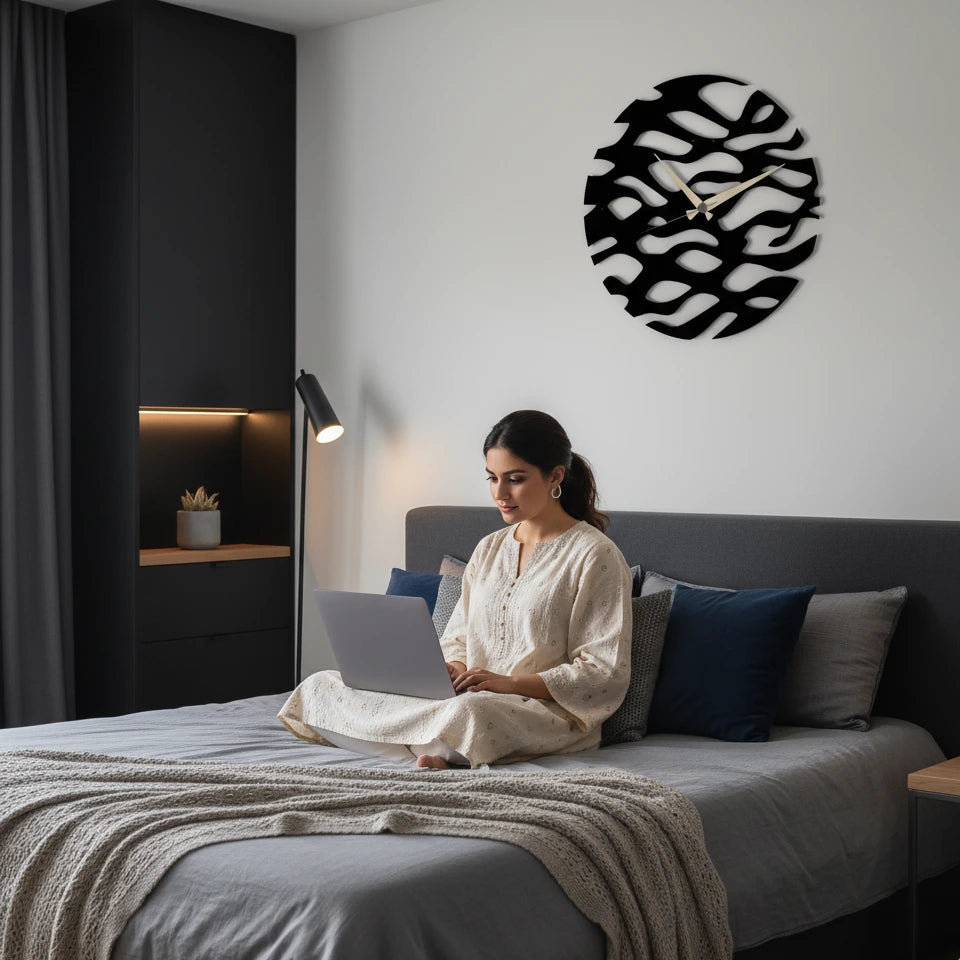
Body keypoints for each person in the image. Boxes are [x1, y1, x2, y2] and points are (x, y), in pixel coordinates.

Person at [277, 410, 632, 769]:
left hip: (536, 711)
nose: (500, 493)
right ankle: (431, 750)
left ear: (555, 476)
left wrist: (510, 684)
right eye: (492, 478)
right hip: (461, 699)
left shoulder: (595, 555)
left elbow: (602, 672)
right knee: (320, 686)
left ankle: (408, 745)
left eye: (515, 479)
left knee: (471, 715)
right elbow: (458, 635)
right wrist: (452, 667)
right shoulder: (489, 548)